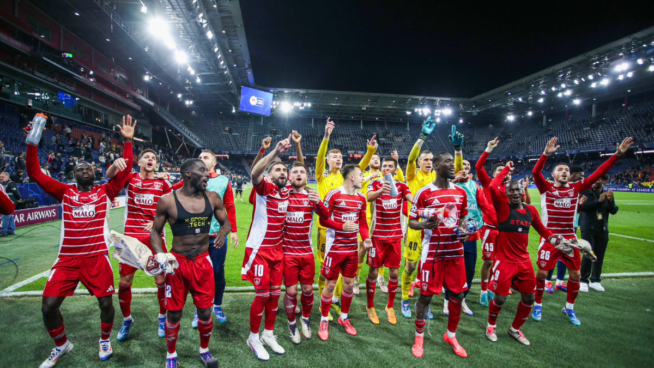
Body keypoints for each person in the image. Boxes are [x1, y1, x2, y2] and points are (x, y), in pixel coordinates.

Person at [28, 114, 135, 368]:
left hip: (96, 257)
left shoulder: (104, 190)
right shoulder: (63, 192)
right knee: (48, 307)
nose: (85, 170)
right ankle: (62, 345)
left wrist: (128, 142)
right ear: (74, 174)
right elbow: (33, 172)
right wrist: (32, 142)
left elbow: (125, 170)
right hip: (66, 260)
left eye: (88, 168)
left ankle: (105, 339)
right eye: (80, 169)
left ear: (95, 172)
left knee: (106, 304)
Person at [531, 136, 632, 325]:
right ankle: (538, 304)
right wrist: (545, 154)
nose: (564, 171)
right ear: (553, 175)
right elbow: (535, 173)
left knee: (576, 275)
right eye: (560, 169)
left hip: (570, 239)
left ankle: (569, 308)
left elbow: (598, 173)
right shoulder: (546, 188)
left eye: (566, 170)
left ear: (569, 176)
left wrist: (616, 156)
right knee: (543, 274)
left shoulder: (576, 188)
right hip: (550, 238)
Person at [151, 158, 231, 368]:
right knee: (174, 312)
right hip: (176, 264)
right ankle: (171, 355)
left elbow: (226, 222)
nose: (207, 174)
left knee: (205, 311)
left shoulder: (213, 198)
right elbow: (155, 231)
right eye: (202, 170)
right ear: (187, 174)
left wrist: (222, 233)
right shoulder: (167, 201)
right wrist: (160, 253)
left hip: (203, 262)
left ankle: (204, 351)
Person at [485, 163, 559, 345]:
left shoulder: (530, 211)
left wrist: (559, 241)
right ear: (507, 194)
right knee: (500, 298)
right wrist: (505, 171)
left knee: (529, 298)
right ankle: (491, 326)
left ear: (522, 191)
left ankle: (515, 329)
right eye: (511, 191)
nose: (515, 193)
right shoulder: (503, 208)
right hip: (504, 261)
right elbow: (493, 187)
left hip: (524, 262)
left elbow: (543, 231)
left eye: (518, 190)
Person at [104, 145, 173, 341]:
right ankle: (127, 320)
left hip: (155, 238)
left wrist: (158, 221)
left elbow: (172, 208)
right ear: (140, 162)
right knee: (125, 282)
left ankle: (161, 318)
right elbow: (110, 176)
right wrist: (115, 165)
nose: (151, 160)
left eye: (154, 158)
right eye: (147, 157)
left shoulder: (163, 184)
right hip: (130, 240)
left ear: (156, 164)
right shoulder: (130, 178)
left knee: (161, 281)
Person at [409, 151, 470, 359]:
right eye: (447, 162)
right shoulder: (424, 193)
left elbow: (463, 220)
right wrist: (423, 224)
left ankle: (451, 335)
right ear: (435, 165)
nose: (452, 165)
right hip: (432, 254)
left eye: (453, 162)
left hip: (455, 253)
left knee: (458, 295)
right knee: (425, 297)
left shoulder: (461, 193)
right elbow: (411, 221)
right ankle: (419, 337)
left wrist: (464, 231)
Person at [315, 118, 376, 320]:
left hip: (348, 230)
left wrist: (370, 152)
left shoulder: (347, 181)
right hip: (327, 230)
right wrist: (326, 137)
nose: (338, 158)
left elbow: (359, 168)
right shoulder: (321, 176)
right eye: (334, 156)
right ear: (328, 160)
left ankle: (336, 298)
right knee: (326, 267)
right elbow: (320, 158)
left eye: (340, 156)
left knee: (344, 269)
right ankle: (325, 300)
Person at [171, 150, 239, 327]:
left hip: (216, 236)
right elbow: (171, 191)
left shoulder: (224, 181)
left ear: (214, 163)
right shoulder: (190, 179)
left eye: (205, 158)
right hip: (194, 237)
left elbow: (230, 206)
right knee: (197, 275)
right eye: (199, 158)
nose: (201, 160)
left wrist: (233, 231)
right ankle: (199, 309)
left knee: (217, 271)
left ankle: (217, 305)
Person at [243, 136, 293, 360]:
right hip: (259, 251)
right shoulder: (265, 188)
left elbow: (299, 168)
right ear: (270, 175)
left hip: (278, 251)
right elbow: (254, 173)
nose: (282, 173)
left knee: (275, 295)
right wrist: (274, 152)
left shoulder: (287, 190)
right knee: (262, 296)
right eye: (278, 170)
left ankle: (269, 334)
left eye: (285, 170)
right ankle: (253, 338)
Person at [317, 164, 371, 341]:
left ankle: (344, 317)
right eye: (361, 175)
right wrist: (341, 226)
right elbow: (323, 219)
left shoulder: (362, 198)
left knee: (348, 284)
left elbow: (362, 223)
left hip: (351, 249)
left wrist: (366, 238)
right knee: (330, 285)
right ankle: (324, 319)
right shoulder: (334, 194)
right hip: (335, 248)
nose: (363, 178)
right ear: (352, 177)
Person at [282, 161, 329, 343]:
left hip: (306, 251)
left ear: (306, 176)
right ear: (289, 176)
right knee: (292, 291)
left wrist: (320, 204)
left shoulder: (312, 196)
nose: (299, 174)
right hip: (288, 253)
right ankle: (292, 322)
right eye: (295, 172)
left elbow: (325, 219)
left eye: (302, 171)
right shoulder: (283, 195)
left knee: (308, 289)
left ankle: (305, 319)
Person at [365, 156, 412, 325]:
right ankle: (370, 306)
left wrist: (421, 205)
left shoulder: (401, 185)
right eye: (384, 166)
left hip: (394, 237)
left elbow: (411, 198)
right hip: (377, 236)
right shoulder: (376, 183)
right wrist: (381, 190)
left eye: (389, 166)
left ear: (395, 168)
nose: (386, 168)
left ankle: (390, 306)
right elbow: (369, 197)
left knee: (393, 272)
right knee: (373, 272)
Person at [401, 117, 437, 319]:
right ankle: (404, 299)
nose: (429, 163)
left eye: (431, 160)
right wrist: (422, 137)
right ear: (419, 163)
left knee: (427, 267)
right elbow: (410, 158)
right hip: (415, 226)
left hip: (431, 227)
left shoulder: (435, 177)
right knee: (412, 265)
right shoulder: (413, 176)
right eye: (426, 160)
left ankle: (422, 303)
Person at [360, 150, 405, 294]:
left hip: (381, 220)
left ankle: (381, 279)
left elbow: (402, 185)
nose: (375, 160)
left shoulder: (393, 180)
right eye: (372, 158)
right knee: (361, 251)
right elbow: (361, 184)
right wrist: (370, 177)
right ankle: (355, 281)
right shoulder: (367, 176)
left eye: (377, 158)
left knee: (386, 257)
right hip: (367, 218)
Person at [545, 167, 584, 293]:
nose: (581, 178)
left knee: (565, 255)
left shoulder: (575, 189)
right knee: (552, 256)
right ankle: (547, 281)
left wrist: (580, 206)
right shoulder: (557, 188)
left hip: (571, 227)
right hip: (555, 229)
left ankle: (560, 281)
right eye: (580, 176)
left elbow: (573, 210)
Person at [578, 175, 618, 292]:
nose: (595, 181)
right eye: (594, 180)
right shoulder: (586, 193)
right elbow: (583, 207)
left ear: (603, 181)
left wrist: (610, 201)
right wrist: (598, 202)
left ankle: (595, 280)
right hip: (587, 227)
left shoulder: (606, 195)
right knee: (588, 253)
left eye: (598, 179)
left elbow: (614, 210)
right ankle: (583, 280)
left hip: (602, 228)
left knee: (599, 255)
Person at [0, 172, 20, 236]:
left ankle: (4, 232)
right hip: (9, 203)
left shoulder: (10, 183)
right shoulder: (1, 185)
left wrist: (18, 198)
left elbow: (15, 192)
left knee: (5, 217)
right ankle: (11, 230)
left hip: (6, 204)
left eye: (2, 177)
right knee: (10, 216)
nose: (1, 178)